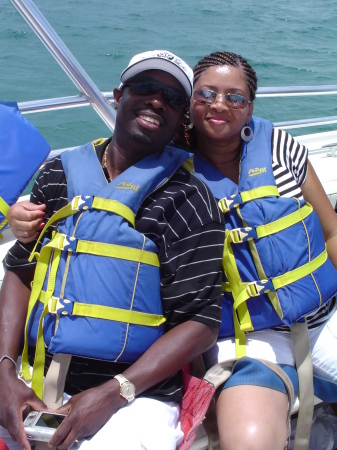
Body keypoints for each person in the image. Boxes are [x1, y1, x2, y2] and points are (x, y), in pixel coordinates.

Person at [0, 50, 225, 450]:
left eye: (173, 98)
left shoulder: (188, 199)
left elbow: (202, 322)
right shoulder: (57, 175)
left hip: (136, 395)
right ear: (119, 94)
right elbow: (20, 270)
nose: (158, 100)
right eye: (146, 87)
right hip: (34, 377)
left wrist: (114, 393)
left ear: (181, 119)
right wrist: (5, 372)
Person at [180, 51, 337, 450]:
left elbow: (331, 230)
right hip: (250, 335)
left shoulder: (281, 147)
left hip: (322, 315)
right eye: (207, 94)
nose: (220, 105)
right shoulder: (167, 172)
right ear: (189, 101)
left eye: (235, 97)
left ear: (250, 108)